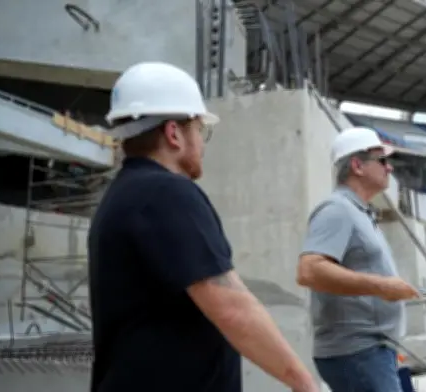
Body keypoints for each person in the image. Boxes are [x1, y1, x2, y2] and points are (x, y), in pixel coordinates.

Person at [88, 61, 318, 392]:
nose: (203, 143)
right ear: (174, 133)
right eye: (199, 130)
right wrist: (304, 383)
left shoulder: (123, 196)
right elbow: (232, 308)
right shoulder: (166, 194)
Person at [295, 126, 420, 392]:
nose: (389, 168)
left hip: (371, 350)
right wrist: (382, 286)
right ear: (357, 166)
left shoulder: (359, 213)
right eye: (382, 160)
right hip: (358, 352)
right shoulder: (336, 210)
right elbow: (310, 270)